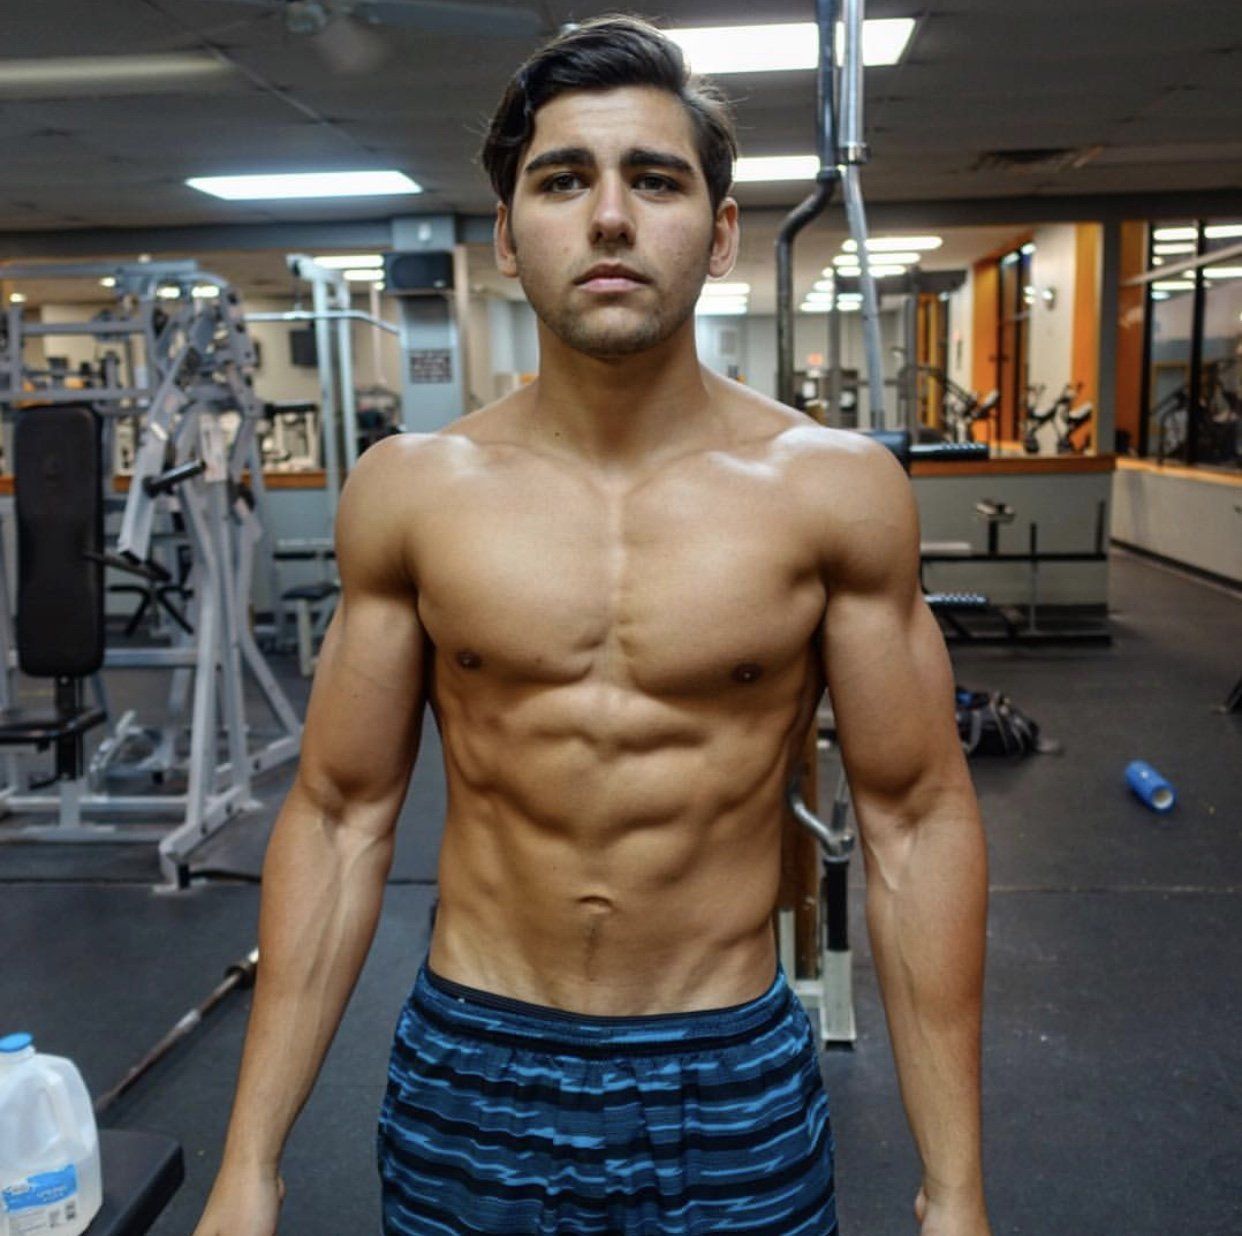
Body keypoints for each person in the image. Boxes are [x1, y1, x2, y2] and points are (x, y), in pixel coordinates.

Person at [192, 15, 991, 1236]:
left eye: (654, 179)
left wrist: (956, 1189)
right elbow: (343, 816)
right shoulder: (411, 490)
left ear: (719, 235)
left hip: (726, 1070)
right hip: (475, 1060)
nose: (610, 217)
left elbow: (916, 820)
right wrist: (250, 1164)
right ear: (509, 237)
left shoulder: (834, 491)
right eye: (564, 180)